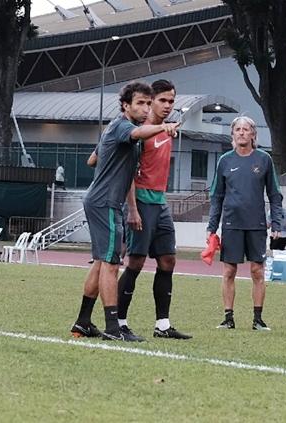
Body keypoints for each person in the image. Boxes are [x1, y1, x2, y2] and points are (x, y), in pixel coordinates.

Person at [70, 81, 180, 341]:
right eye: (140, 103)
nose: (144, 108)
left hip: (101, 200)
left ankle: (83, 322)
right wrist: (163, 127)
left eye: (146, 103)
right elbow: (136, 135)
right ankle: (113, 327)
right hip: (106, 202)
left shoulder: (117, 128)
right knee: (110, 263)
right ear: (125, 105)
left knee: (100, 262)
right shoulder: (124, 127)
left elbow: (92, 159)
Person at [117, 80, 191, 340]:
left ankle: (163, 325)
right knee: (135, 262)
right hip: (142, 204)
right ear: (150, 101)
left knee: (168, 260)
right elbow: (129, 175)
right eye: (163, 100)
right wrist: (133, 210)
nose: (168, 106)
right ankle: (119, 323)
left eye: (171, 101)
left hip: (160, 203)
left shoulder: (166, 131)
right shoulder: (139, 133)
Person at [208, 116, 283, 331]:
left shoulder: (264, 159)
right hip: (231, 224)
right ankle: (228, 318)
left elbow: (275, 194)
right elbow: (216, 196)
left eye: (246, 129)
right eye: (238, 129)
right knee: (229, 272)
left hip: (257, 224)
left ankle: (257, 320)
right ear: (232, 134)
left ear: (253, 134)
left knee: (257, 272)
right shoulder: (224, 161)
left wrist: (276, 223)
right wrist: (211, 228)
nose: (242, 133)